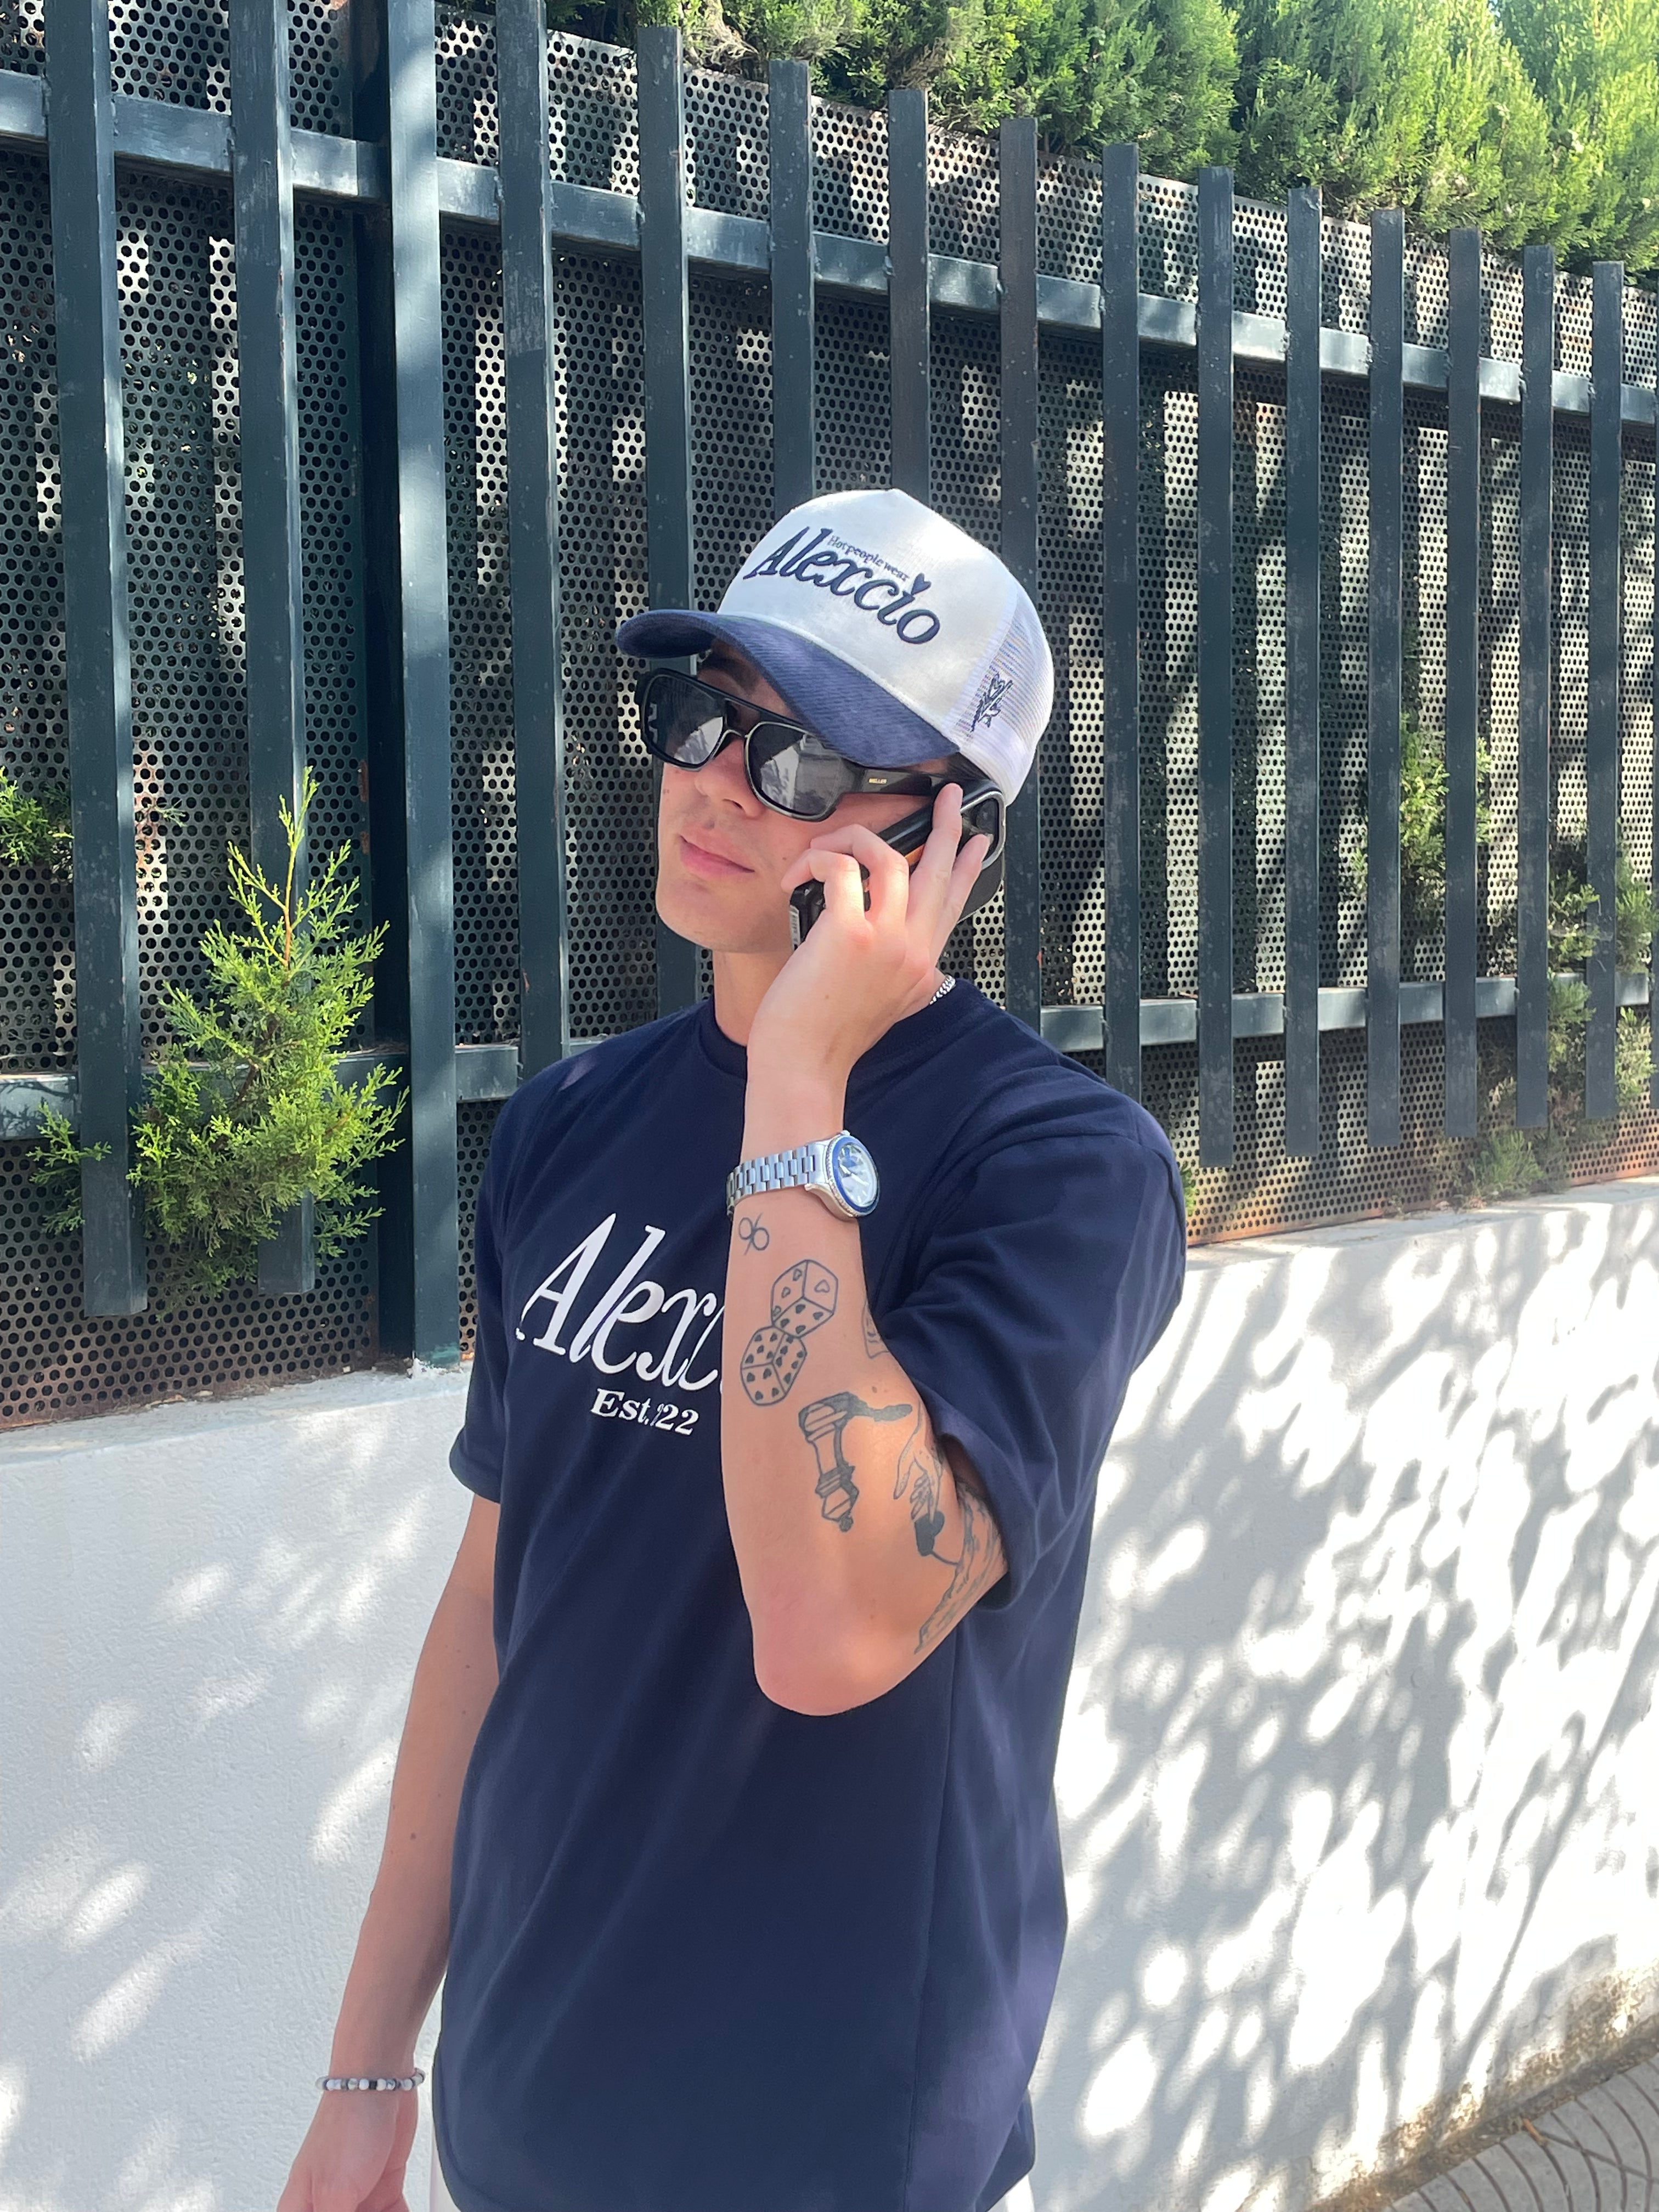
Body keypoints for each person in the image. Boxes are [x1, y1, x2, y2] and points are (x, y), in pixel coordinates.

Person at [277, 487, 1187, 2212]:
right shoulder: (566, 1127)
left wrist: (799, 1082)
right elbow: (491, 1611)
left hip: (825, 2148)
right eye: (702, 713)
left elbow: (834, 1632)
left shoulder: (1059, 1174)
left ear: (947, 834)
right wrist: (371, 2067)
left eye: (801, 758)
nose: (715, 781)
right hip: (521, 2115)